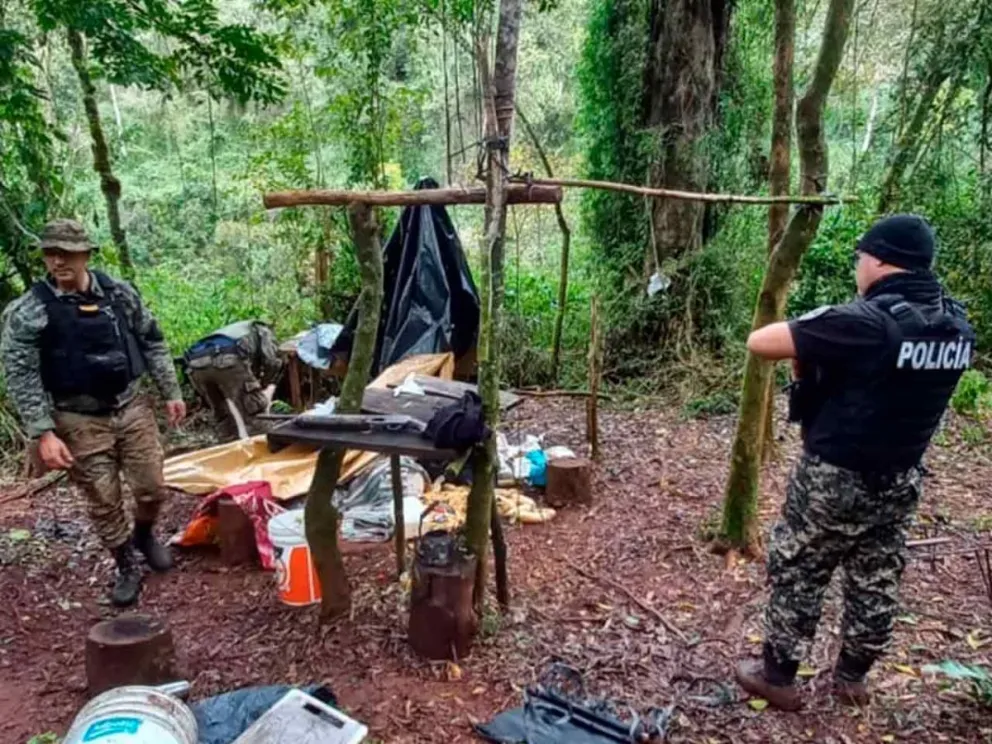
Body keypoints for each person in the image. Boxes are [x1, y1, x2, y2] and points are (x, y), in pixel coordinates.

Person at [735, 214, 975, 710]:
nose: (857, 266)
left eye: (860, 257)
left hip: (835, 476)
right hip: (901, 476)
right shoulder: (955, 324)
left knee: (801, 567)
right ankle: (853, 678)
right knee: (877, 575)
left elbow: (761, 341)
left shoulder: (866, 322)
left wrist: (819, 334)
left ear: (882, 261)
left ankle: (777, 677)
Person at [0, 219, 186, 607]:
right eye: (51, 254)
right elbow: (20, 373)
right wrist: (43, 431)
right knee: (103, 497)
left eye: (67, 253)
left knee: (152, 488)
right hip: (76, 418)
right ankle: (125, 564)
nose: (58, 261)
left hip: (130, 406)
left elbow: (152, 340)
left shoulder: (118, 294)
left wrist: (171, 391)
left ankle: (144, 535)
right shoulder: (30, 310)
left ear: (86, 254)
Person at [183, 319, 283, 440]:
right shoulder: (262, 329)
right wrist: (265, 383)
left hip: (195, 365)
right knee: (253, 410)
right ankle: (264, 445)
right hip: (226, 360)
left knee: (222, 415)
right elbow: (272, 361)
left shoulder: (231, 331)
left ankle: (228, 444)